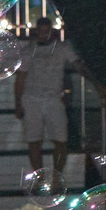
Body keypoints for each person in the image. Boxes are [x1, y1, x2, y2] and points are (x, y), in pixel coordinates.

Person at [16, 19, 75, 191]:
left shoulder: (62, 49)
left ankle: (56, 177)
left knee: (61, 140)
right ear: (36, 32)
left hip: (54, 98)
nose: (43, 34)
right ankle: (39, 177)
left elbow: (77, 63)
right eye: (40, 31)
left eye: (46, 31)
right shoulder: (28, 51)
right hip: (31, 99)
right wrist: (18, 103)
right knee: (34, 141)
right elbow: (20, 78)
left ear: (52, 32)